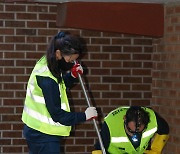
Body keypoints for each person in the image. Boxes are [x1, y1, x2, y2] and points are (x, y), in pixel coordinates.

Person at [21, 31, 98, 154]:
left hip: (36, 131)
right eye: (69, 60)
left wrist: (72, 76)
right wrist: (84, 116)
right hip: (43, 135)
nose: (70, 63)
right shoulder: (47, 78)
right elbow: (58, 115)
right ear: (58, 53)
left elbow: (58, 88)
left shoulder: (48, 63)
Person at [92, 106, 169, 154]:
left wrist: (155, 150)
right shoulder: (111, 124)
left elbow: (165, 130)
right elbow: (98, 148)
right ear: (124, 119)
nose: (134, 135)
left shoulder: (154, 119)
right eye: (130, 130)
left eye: (139, 132)